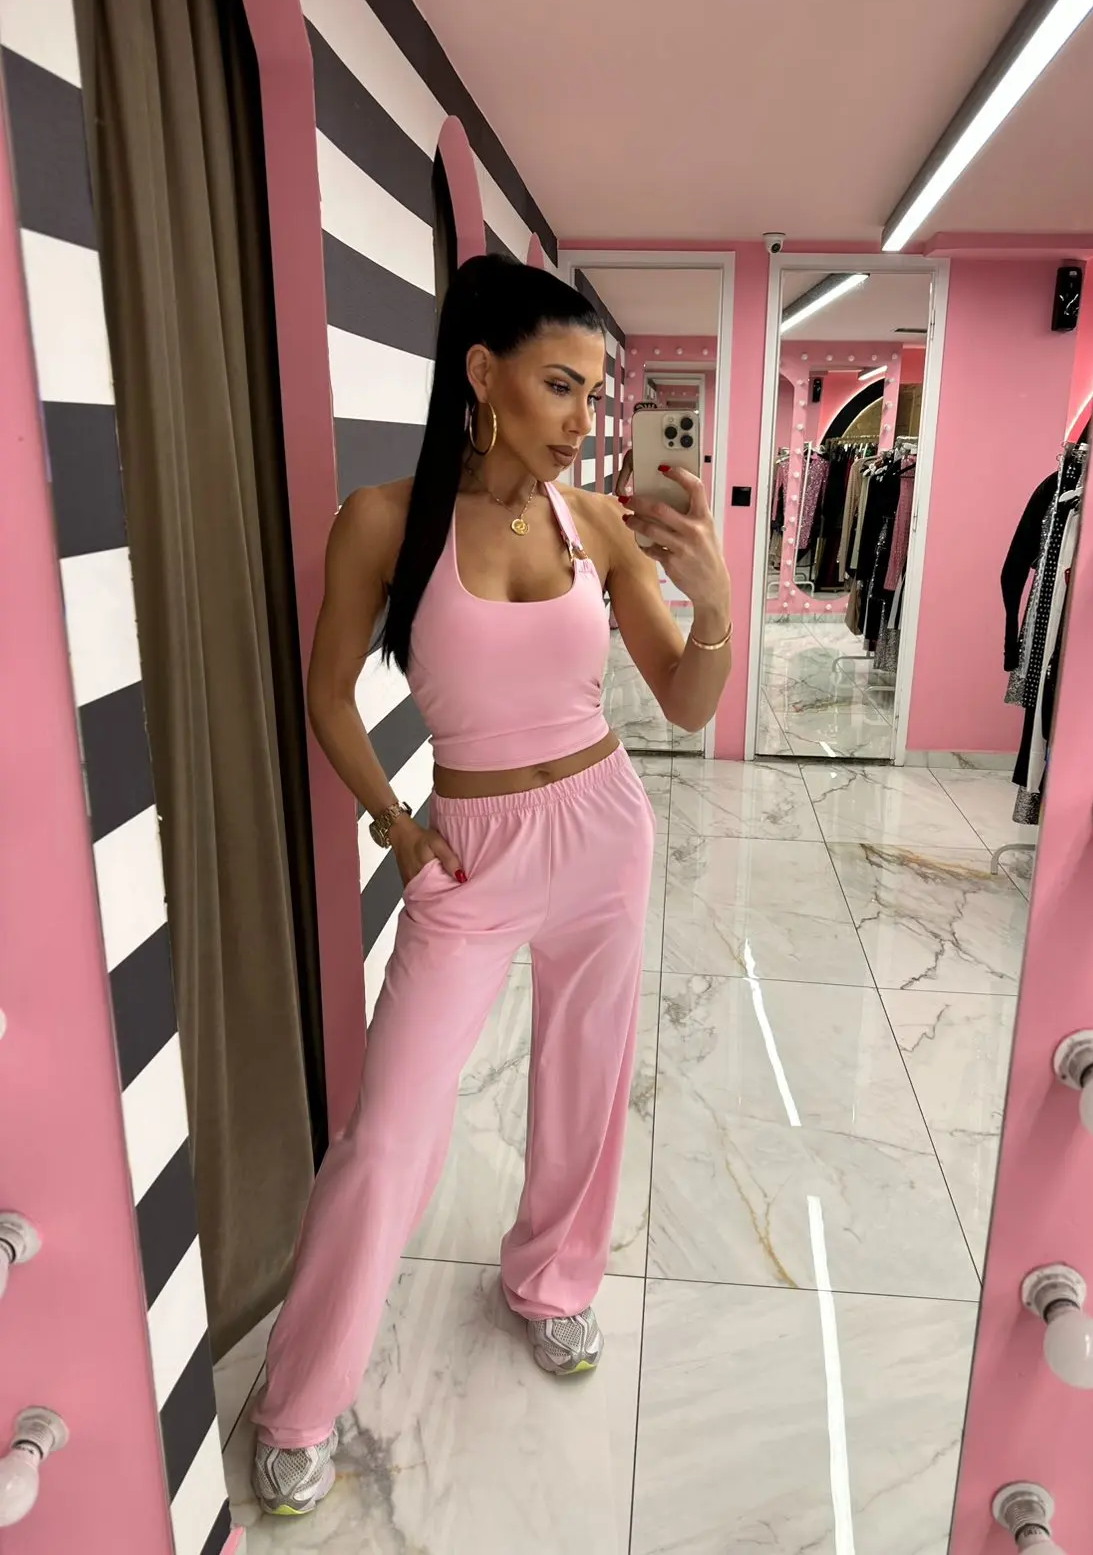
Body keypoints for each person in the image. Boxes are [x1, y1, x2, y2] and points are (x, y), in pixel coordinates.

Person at [251, 255, 732, 1517]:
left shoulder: (597, 524)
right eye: (560, 384)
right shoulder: (382, 521)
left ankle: (552, 1282)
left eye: (595, 391)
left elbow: (686, 701)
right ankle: (300, 1398)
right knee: (391, 1131)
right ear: (482, 373)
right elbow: (327, 695)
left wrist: (716, 601)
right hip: (470, 847)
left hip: (602, 828)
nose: (583, 417)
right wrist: (398, 826)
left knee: (586, 1078)